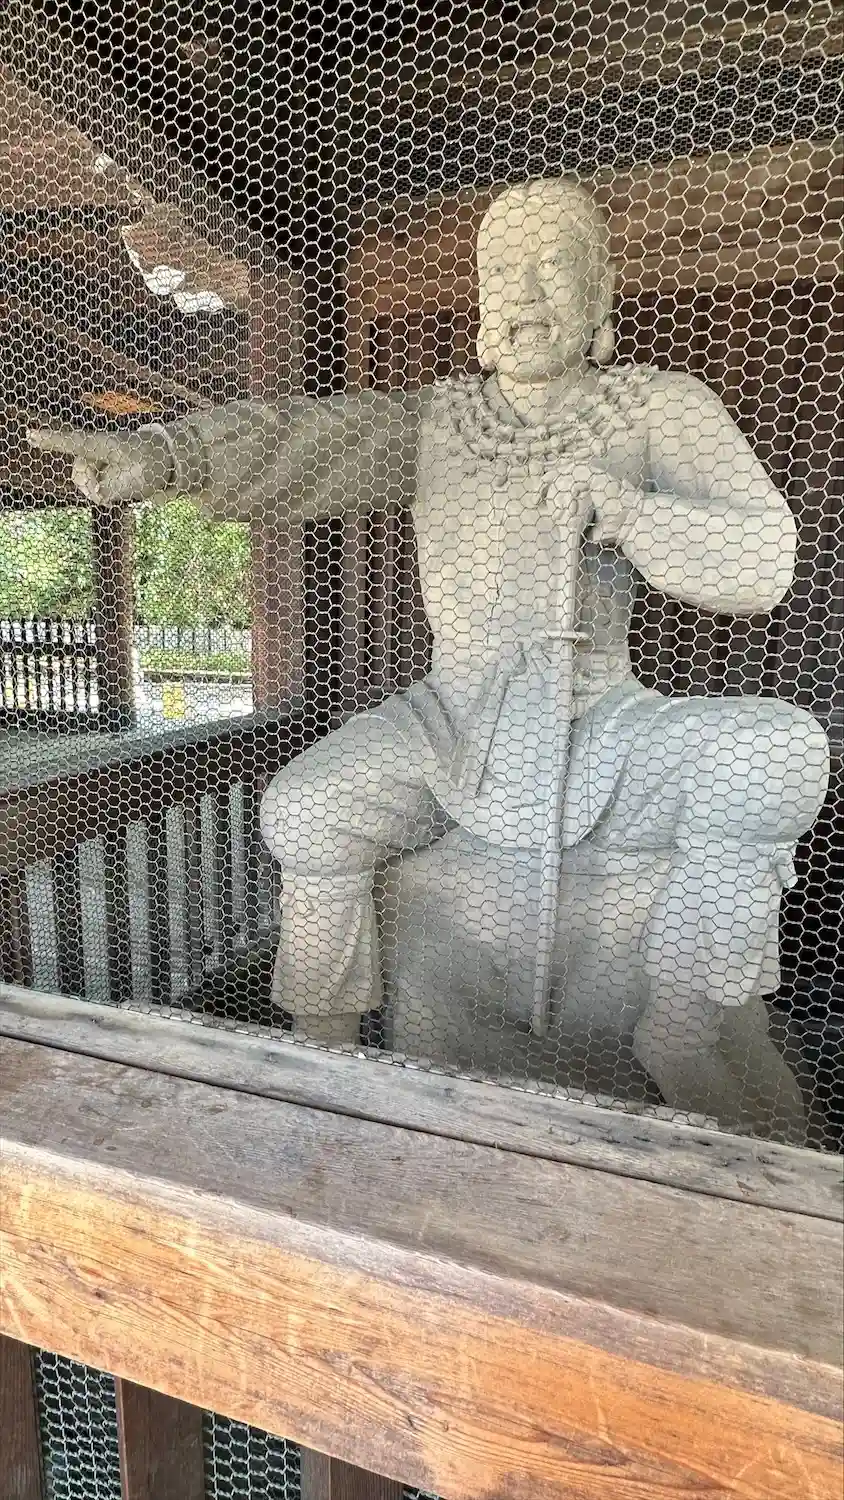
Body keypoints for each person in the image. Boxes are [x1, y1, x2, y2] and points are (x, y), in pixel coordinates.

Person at [30, 177, 829, 1133]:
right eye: (500, 272)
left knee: (777, 750)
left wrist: (626, 510)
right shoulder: (440, 421)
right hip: (455, 716)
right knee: (306, 807)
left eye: (551, 267)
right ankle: (322, 1046)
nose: (522, 294)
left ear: (600, 291)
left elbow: (761, 561)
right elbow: (303, 443)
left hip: (603, 718)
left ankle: (686, 1028)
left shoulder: (656, 407)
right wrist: (168, 456)